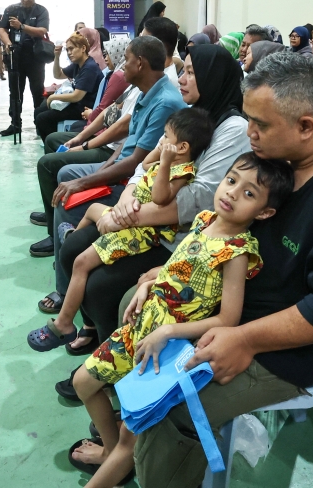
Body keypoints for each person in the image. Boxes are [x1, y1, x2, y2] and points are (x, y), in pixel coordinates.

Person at [131, 53, 313, 488]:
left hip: (281, 349)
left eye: (260, 124)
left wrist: (244, 338)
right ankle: (132, 445)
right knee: (135, 306)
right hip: (231, 305)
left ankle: (155, 453)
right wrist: (172, 271)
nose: (249, 133)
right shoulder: (283, 161)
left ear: (306, 125)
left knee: (171, 406)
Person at [68, 153, 294, 485]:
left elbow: (228, 319)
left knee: (133, 437)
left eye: (249, 193)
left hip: (166, 349)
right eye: (231, 181)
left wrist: (170, 330)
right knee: (83, 383)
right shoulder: (204, 220)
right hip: (142, 327)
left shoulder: (237, 253)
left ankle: (117, 457)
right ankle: (112, 449)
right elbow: (176, 268)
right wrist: (148, 285)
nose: (231, 193)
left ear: (265, 212)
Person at [40, 42, 248, 364]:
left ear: (213, 78)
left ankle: (109, 367)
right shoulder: (195, 112)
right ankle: (93, 328)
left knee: (100, 286)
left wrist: (126, 218)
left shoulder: (232, 127)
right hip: (145, 211)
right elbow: (144, 163)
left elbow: (197, 199)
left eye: (191, 73)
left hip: (175, 236)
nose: (181, 78)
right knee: (72, 249)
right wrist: (125, 201)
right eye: (183, 70)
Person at [28, 107, 214, 351]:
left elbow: (160, 198)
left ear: (182, 148)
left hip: (142, 232)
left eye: (166, 136)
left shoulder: (182, 171)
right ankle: (73, 234)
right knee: (93, 209)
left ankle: (63, 324)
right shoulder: (163, 159)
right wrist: (160, 152)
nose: (161, 140)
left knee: (82, 263)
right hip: (132, 217)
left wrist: (166, 163)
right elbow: (146, 164)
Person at [46, 36, 186, 258]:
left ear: (140, 63)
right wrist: (102, 168)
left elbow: (135, 163)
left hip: (135, 183)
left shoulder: (165, 102)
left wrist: (84, 182)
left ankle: (65, 276)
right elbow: (127, 141)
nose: (122, 65)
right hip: (122, 167)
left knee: (68, 194)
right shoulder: (145, 91)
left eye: (127, 60)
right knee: (66, 174)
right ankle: (63, 252)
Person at [28, 38, 135, 256]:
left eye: (129, 58)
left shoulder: (122, 79)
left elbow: (119, 126)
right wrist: (81, 139)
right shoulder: (131, 83)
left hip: (107, 145)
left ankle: (53, 229)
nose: (106, 57)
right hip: (98, 134)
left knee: (48, 163)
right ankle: (53, 212)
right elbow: (108, 112)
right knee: (52, 137)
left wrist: (84, 145)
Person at [0, 0, 49, 135]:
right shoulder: (11, 9)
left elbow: (42, 31)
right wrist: (7, 43)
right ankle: (15, 124)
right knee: (15, 93)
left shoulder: (41, 11)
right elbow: (2, 29)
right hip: (16, 57)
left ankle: (40, 124)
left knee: (38, 92)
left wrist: (22, 27)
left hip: (35, 58)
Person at [32, 32, 103, 141]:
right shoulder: (78, 64)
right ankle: (50, 141)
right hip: (75, 104)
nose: (69, 53)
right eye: (67, 50)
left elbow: (77, 96)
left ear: (83, 48)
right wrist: (56, 57)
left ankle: (54, 144)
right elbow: (58, 75)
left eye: (72, 49)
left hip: (83, 108)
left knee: (43, 119)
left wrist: (52, 97)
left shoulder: (89, 68)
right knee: (38, 110)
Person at [140, 17, 181, 83]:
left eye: (142, 41)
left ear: (159, 47)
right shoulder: (150, 74)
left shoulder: (164, 82)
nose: (138, 46)